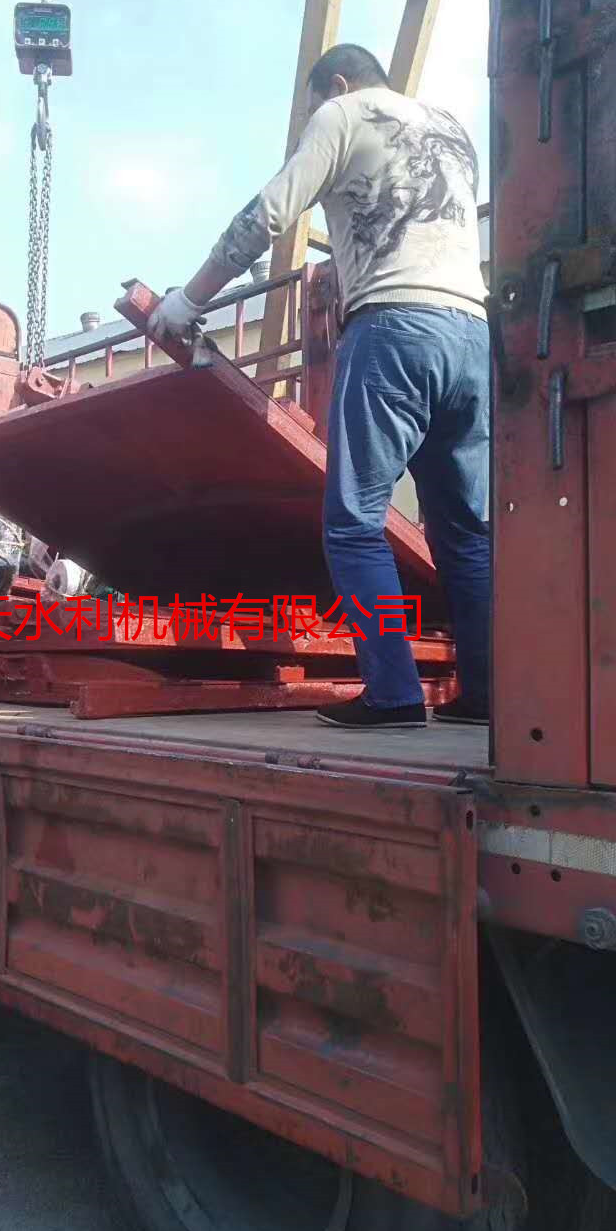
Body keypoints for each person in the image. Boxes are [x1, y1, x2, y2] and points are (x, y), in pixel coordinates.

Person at [149, 43, 490, 731]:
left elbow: (267, 215)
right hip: (474, 336)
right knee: (466, 533)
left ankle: (392, 694)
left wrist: (188, 299)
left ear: (336, 84)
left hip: (394, 327)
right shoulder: (452, 129)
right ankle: (490, 696)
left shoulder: (343, 112)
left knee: (354, 523)